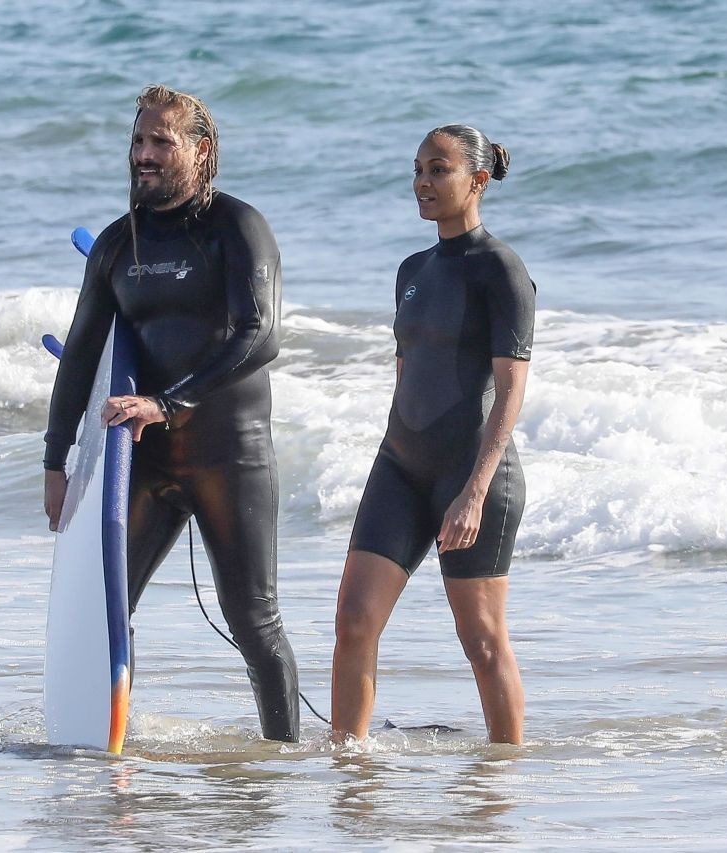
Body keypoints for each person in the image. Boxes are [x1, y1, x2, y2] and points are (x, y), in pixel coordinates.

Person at [43, 85, 299, 742]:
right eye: (138, 141)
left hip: (228, 453)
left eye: (162, 141)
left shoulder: (237, 227)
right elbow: (80, 357)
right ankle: (105, 744)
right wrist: (55, 458)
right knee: (105, 609)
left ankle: (279, 761)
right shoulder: (116, 246)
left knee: (253, 620)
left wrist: (166, 401)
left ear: (200, 149)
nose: (145, 155)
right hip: (146, 456)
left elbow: (260, 333)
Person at [331, 125, 535, 744]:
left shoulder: (500, 269)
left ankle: (503, 779)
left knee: (480, 638)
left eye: (439, 169)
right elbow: (406, 375)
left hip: (471, 472)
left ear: (477, 180)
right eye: (418, 169)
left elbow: (511, 389)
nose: (423, 181)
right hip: (400, 465)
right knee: (354, 623)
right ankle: (348, 771)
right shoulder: (411, 269)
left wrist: (473, 490)